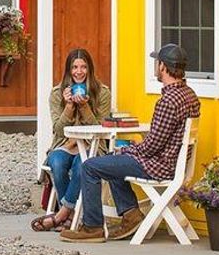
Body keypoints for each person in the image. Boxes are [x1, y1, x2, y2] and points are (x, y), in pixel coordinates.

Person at [60, 43, 200, 243]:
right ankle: (131, 216)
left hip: (159, 166)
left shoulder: (168, 101)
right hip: (173, 164)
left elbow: (152, 147)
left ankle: (92, 227)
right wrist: (124, 152)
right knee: (113, 161)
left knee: (90, 166)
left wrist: (127, 149)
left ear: (163, 67)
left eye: (157, 63)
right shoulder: (190, 95)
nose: (156, 67)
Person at [30, 48, 111, 232]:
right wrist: (68, 106)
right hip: (64, 144)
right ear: (69, 70)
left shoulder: (102, 92)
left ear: (89, 69)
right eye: (75, 67)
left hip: (92, 146)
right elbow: (58, 130)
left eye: (83, 67)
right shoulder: (58, 93)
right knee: (57, 163)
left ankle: (63, 214)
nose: (79, 71)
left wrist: (84, 107)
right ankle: (72, 215)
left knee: (81, 165)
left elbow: (100, 128)